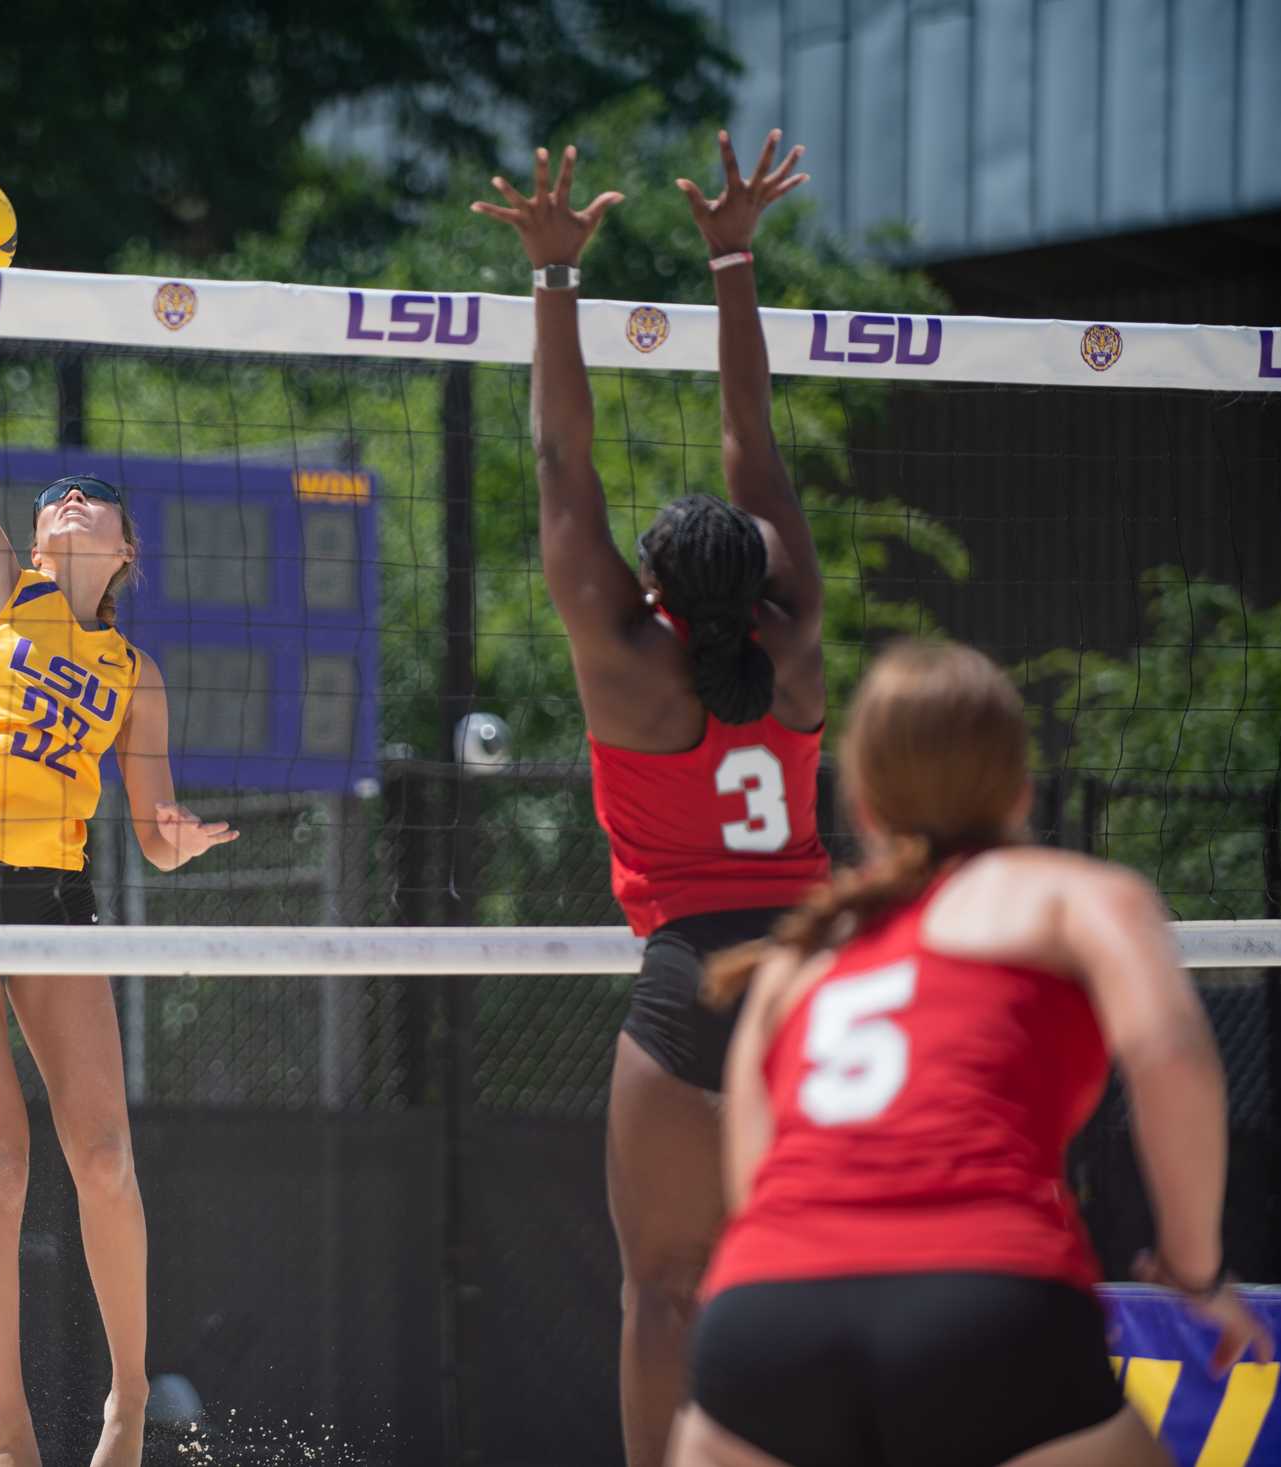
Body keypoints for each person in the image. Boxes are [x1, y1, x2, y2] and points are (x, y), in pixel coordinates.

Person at [669, 639, 1273, 1466]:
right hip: (985, 1298)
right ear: (1019, 788)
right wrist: (1195, 1269)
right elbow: (1169, 1053)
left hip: (764, 1319)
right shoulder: (1078, 894)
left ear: (866, 806)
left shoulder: (800, 956)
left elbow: (753, 1172)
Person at [472, 129, 825, 1466]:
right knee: (815, 1273)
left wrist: (554, 279)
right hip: (812, 970)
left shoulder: (626, 663)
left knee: (663, 1289)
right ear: (762, 574)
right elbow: (755, 436)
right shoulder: (795, 646)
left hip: (691, 975)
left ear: (660, 593)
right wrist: (731, 258)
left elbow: (565, 465)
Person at [0, 332, 238, 1467]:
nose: (72, 501)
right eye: (58, 496)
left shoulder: (135, 675)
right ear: (40, 533)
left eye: (94, 498)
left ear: (126, 546)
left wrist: (178, 845)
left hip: (52, 891)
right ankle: (6, 1428)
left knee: (102, 1159)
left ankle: (128, 1401)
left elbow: (151, 825)